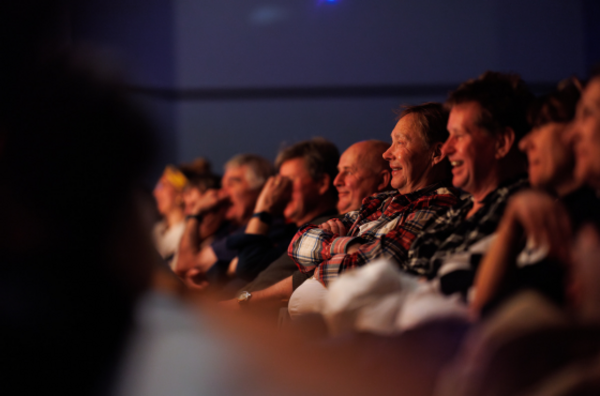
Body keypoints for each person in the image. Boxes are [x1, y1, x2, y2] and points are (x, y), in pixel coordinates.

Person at [288, 103, 460, 317]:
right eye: (391, 142)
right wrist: (350, 246)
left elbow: (374, 267)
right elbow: (299, 241)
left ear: (436, 153)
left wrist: (319, 264)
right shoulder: (380, 201)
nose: (387, 154)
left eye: (401, 142)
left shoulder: (439, 204)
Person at [224, 139, 392, 308]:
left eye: (289, 181)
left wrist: (263, 208)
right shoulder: (289, 229)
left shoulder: (336, 225)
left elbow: (247, 266)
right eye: (280, 184)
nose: (337, 181)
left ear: (322, 184)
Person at [174, 154, 273, 289]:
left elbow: (185, 266)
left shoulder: (259, 229)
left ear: (260, 190)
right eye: (222, 186)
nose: (223, 193)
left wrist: (196, 212)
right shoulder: (228, 227)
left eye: (231, 184)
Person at [151, 165, 188, 266]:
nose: (155, 192)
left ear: (180, 193)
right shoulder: (156, 231)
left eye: (163, 185)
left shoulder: (187, 233)